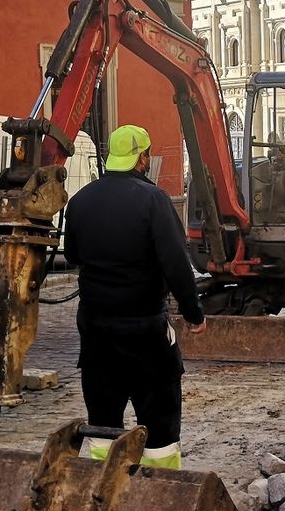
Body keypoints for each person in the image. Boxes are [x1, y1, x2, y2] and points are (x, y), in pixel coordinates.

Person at [63, 124, 206, 469]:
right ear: (142, 158)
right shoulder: (153, 200)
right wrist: (194, 313)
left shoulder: (80, 201)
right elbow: (176, 263)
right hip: (145, 329)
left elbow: (72, 256)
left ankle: (103, 491)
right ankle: (160, 491)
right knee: (159, 417)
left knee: (102, 418)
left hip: (96, 329)